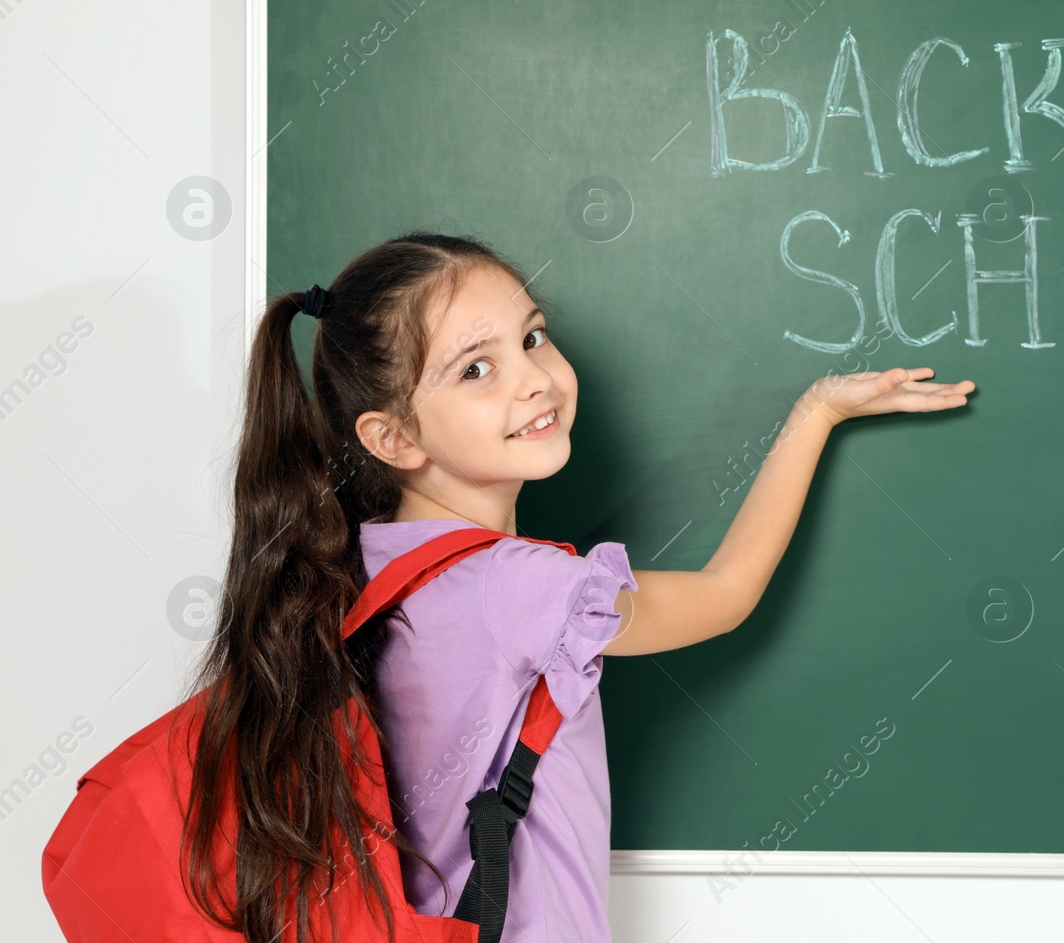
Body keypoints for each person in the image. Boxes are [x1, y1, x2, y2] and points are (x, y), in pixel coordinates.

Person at [179, 230, 975, 943]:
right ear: (392, 436)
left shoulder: (366, 567)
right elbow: (726, 593)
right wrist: (816, 412)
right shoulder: (518, 588)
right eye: (477, 368)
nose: (535, 379)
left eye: (533, 337)